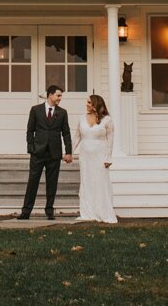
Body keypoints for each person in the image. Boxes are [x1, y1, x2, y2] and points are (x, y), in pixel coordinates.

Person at [19, 83, 73, 220]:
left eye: (61, 96)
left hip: (54, 153)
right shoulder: (36, 110)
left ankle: (49, 211)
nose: (60, 98)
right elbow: (30, 130)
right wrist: (31, 148)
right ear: (50, 95)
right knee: (33, 182)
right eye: (58, 95)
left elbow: (66, 133)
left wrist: (68, 152)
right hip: (38, 152)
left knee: (52, 183)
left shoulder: (62, 112)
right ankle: (26, 211)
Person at [74, 94, 117, 223]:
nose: (86, 104)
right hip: (85, 156)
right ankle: (88, 212)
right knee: (87, 181)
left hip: (100, 156)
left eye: (89, 102)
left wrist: (108, 158)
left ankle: (103, 212)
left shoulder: (107, 120)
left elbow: (110, 139)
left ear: (96, 104)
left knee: (100, 182)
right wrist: (69, 152)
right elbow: (77, 137)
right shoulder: (82, 118)